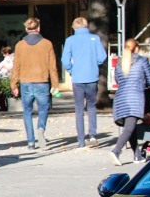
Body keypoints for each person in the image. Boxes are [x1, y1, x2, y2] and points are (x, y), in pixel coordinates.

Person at [10, 16, 60, 151]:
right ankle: (41, 128)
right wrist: (55, 85)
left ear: (26, 29)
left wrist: (13, 84)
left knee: (27, 112)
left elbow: (16, 66)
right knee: (43, 109)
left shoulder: (20, 45)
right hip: (42, 82)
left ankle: (30, 141)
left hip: (26, 82)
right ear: (39, 28)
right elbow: (52, 67)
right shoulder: (47, 44)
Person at [61, 16, 107, 148]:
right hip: (92, 77)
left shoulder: (70, 40)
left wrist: (71, 70)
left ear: (74, 27)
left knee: (79, 108)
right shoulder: (94, 39)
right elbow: (102, 57)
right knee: (91, 106)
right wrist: (94, 64)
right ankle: (92, 135)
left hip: (78, 78)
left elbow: (65, 60)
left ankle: (80, 140)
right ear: (86, 26)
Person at [110, 37, 150, 165]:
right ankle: (116, 151)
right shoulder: (141, 61)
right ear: (136, 48)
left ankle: (137, 155)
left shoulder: (119, 63)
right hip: (134, 98)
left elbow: (118, 81)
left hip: (121, 98)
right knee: (129, 127)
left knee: (131, 127)